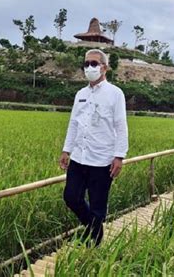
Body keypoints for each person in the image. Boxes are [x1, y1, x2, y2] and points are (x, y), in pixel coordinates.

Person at [59, 48, 129, 247]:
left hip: (102, 159)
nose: (89, 67)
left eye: (94, 64)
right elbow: (74, 123)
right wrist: (66, 150)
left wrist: (119, 156)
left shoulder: (115, 94)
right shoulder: (80, 94)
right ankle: (94, 230)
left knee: (98, 206)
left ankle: (94, 245)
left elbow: (120, 126)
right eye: (86, 64)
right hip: (79, 157)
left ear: (104, 68)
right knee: (71, 197)